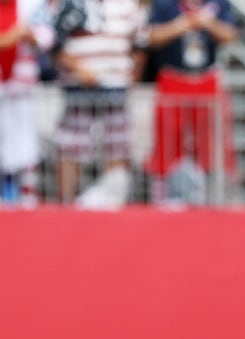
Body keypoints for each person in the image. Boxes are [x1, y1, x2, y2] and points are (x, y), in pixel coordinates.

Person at [51, 0, 147, 208]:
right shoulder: (72, 4)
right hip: (79, 91)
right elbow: (54, 43)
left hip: (117, 90)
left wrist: (134, 74)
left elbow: (141, 42)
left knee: (118, 146)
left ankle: (112, 201)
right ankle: (66, 204)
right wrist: (78, 68)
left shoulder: (127, 6)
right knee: (70, 146)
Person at [144, 0, 239, 204]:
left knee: (211, 144)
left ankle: (213, 197)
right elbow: (151, 36)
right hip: (173, 79)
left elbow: (231, 34)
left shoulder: (218, 3)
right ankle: (163, 197)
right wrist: (182, 25)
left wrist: (207, 23)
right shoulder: (164, 4)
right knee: (167, 142)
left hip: (205, 79)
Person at [0, 0, 53, 207]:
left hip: (21, 88)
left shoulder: (30, 5)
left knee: (26, 141)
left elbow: (46, 36)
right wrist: (12, 36)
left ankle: (27, 193)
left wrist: (28, 36)